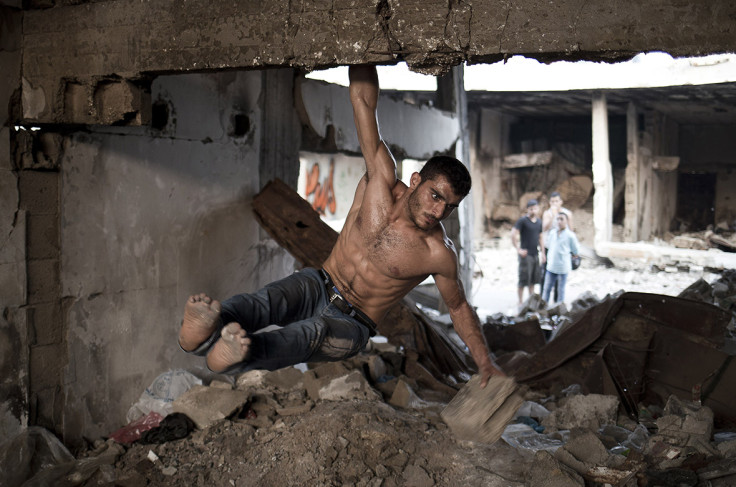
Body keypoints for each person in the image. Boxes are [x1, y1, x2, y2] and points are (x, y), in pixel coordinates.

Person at [178, 65, 504, 387]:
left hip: (351, 324)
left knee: (310, 333)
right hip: (321, 283)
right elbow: (363, 100)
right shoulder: (380, 179)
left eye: (449, 206)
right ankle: (206, 329)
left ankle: (234, 353)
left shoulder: (437, 253)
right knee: (265, 302)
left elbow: (458, 307)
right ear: (416, 180)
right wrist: (362, 48)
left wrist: (485, 363)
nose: (438, 211)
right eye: (435, 196)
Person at [510, 199, 545, 305]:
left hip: (535, 254)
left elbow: (540, 238)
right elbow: (513, 234)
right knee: (523, 280)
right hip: (526, 255)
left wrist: (543, 253)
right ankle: (520, 302)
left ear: (538, 209)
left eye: (535, 208)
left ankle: (531, 302)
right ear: (527, 210)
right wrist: (518, 249)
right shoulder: (522, 221)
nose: (533, 211)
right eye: (531, 209)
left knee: (533, 281)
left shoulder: (539, 222)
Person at [542, 212, 579, 305]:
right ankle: (543, 308)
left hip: (563, 267)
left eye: (561, 219)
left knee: (560, 290)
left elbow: (576, 250)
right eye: (557, 219)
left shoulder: (570, 235)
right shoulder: (553, 233)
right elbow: (549, 246)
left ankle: (559, 310)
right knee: (546, 289)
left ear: (566, 221)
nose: (559, 221)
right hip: (551, 266)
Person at [541, 191, 573, 301]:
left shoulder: (567, 214)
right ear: (550, 202)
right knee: (546, 276)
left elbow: (571, 230)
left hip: (562, 248)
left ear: (561, 202)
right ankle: (543, 302)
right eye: (552, 201)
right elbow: (543, 228)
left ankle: (557, 303)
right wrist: (553, 216)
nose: (554, 203)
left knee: (560, 279)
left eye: (556, 201)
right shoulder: (548, 213)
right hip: (549, 247)